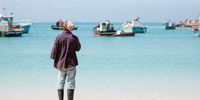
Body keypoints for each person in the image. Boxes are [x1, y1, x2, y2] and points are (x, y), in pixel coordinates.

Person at [50, 20, 81, 100]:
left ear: (64, 27)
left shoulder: (58, 37)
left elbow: (54, 50)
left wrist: (54, 58)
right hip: (71, 64)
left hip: (61, 64)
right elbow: (78, 49)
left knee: (60, 83)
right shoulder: (74, 38)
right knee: (71, 83)